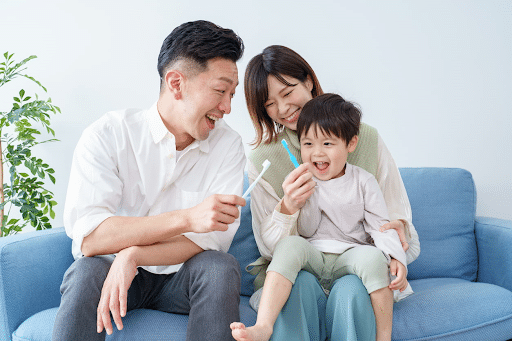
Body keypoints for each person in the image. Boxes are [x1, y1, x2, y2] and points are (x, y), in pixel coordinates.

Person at [52, 20, 246, 341]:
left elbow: (212, 240)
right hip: (112, 275)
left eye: (231, 94)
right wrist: (187, 218)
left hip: (182, 277)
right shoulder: (109, 135)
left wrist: (134, 254)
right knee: (86, 270)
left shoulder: (228, 145)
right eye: (220, 91)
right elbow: (90, 238)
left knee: (218, 266)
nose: (226, 107)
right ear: (176, 83)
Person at [240, 45, 420, 341]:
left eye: (287, 93)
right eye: (270, 104)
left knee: (352, 291)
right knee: (299, 287)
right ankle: (264, 327)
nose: (283, 109)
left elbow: (393, 217)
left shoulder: (365, 138)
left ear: (308, 81)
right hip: (302, 268)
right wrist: (288, 207)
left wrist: (397, 233)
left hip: (355, 265)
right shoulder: (264, 159)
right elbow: (270, 249)